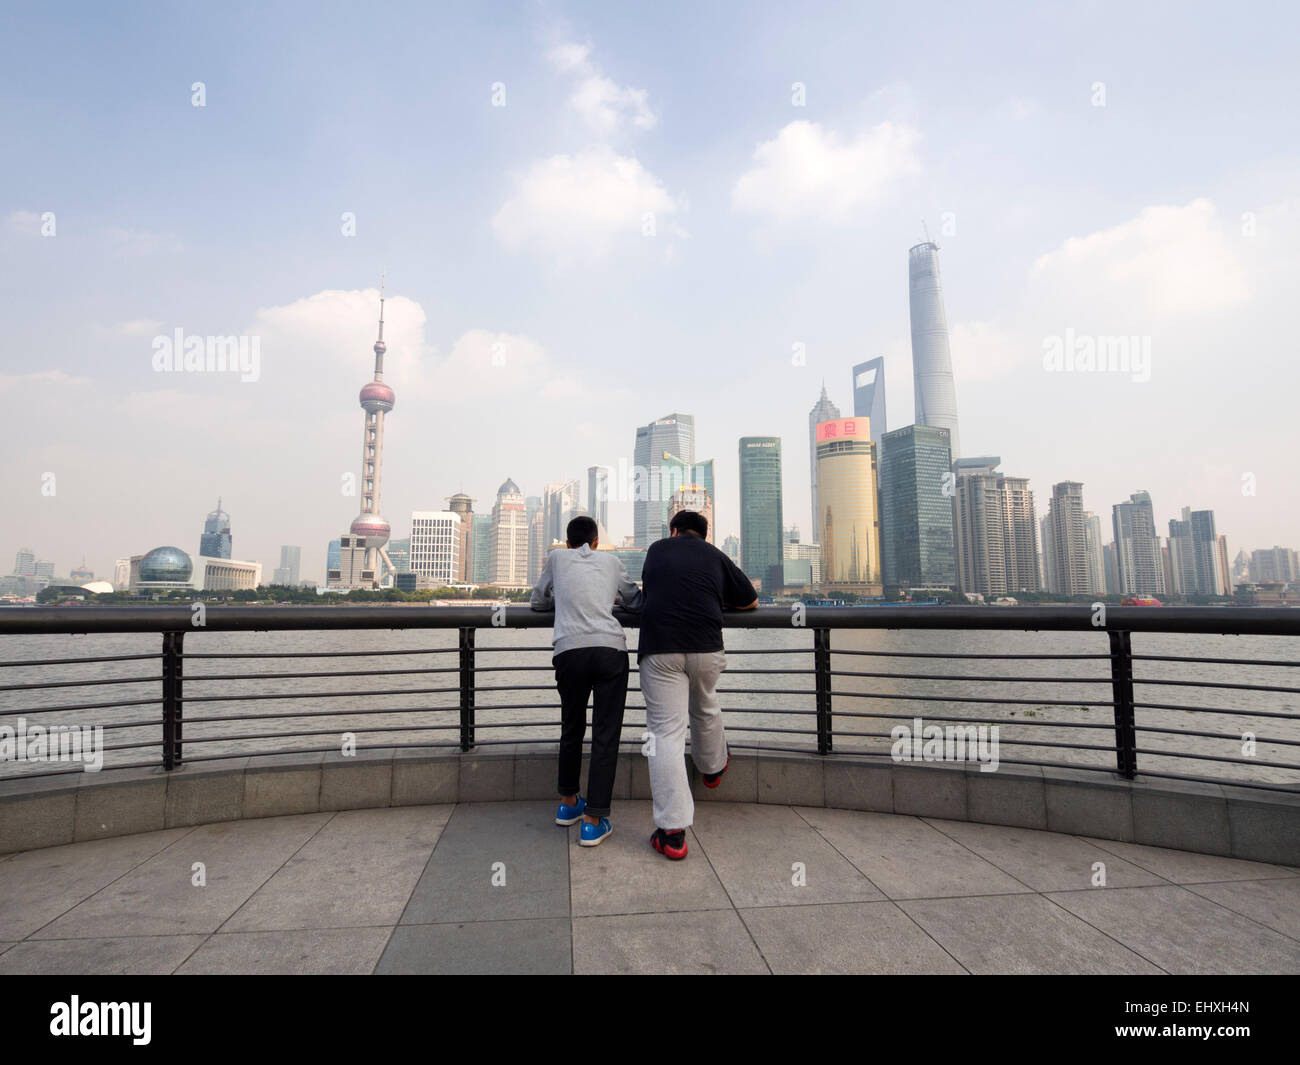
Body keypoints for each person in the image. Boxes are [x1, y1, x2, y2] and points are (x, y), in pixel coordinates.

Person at [637, 510, 757, 859]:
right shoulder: (716, 555)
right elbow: (750, 600)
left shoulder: (657, 550)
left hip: (661, 648)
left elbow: (652, 591)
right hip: (707, 647)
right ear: (704, 535)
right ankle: (712, 769)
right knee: (705, 706)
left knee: (665, 734)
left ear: (674, 531)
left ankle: (673, 833)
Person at [530, 515, 642, 846]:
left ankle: (568, 804)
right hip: (610, 651)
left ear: (567, 543)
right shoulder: (612, 561)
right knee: (605, 736)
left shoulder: (556, 558)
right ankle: (593, 820)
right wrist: (613, 600)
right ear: (595, 542)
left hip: (569, 652)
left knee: (572, 726)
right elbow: (635, 601)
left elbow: (537, 601)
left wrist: (562, 599)